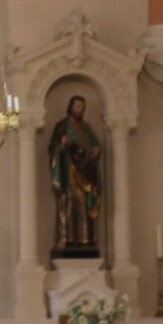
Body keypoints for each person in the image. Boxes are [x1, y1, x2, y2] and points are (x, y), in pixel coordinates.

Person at [49, 95, 103, 257]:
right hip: (69, 171)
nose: (81, 110)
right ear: (71, 107)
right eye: (79, 106)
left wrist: (96, 150)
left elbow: (95, 144)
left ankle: (86, 239)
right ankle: (66, 239)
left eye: (83, 107)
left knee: (85, 205)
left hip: (85, 172)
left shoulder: (86, 128)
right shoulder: (62, 126)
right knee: (68, 204)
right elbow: (53, 147)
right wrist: (62, 146)